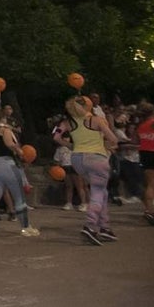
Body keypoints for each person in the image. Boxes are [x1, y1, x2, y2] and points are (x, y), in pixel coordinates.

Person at [61, 96, 119, 245]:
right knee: (98, 192)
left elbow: (56, 135)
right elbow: (113, 138)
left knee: (101, 191)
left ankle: (105, 227)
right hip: (96, 158)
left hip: (77, 159)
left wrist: (70, 146)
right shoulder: (97, 120)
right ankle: (91, 225)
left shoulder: (68, 122)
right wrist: (109, 146)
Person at [0, 109, 40, 237]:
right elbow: (9, 144)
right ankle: (26, 227)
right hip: (6, 164)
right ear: (3, 117)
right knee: (19, 197)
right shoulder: (5, 130)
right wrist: (20, 151)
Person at [51, 114, 86, 211]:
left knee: (79, 186)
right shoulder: (59, 148)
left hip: (75, 166)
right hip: (65, 167)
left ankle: (84, 203)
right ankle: (68, 203)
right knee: (68, 186)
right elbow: (56, 160)